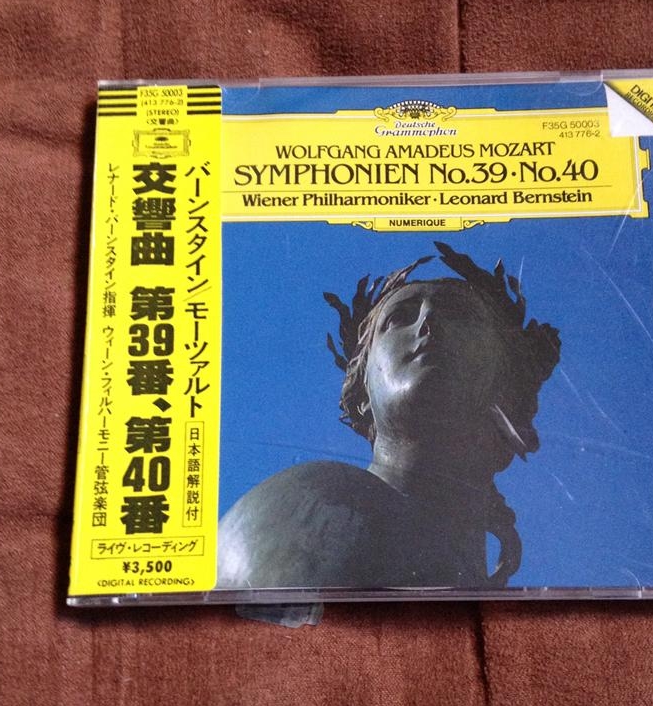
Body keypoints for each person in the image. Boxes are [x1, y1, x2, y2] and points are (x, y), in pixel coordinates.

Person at [217, 242, 560, 591]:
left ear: (506, 384)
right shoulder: (312, 502)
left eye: (459, 315)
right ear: (362, 391)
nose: (428, 321)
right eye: (399, 318)